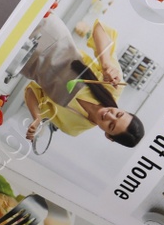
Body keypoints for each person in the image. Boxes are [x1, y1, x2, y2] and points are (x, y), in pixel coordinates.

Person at [19, 16, 144, 147]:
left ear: (108, 136)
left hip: (25, 62)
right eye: (118, 114)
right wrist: (106, 63)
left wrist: (37, 117)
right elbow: (100, 28)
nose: (109, 116)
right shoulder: (114, 85)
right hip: (48, 34)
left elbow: (31, 91)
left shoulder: (73, 127)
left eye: (111, 125)